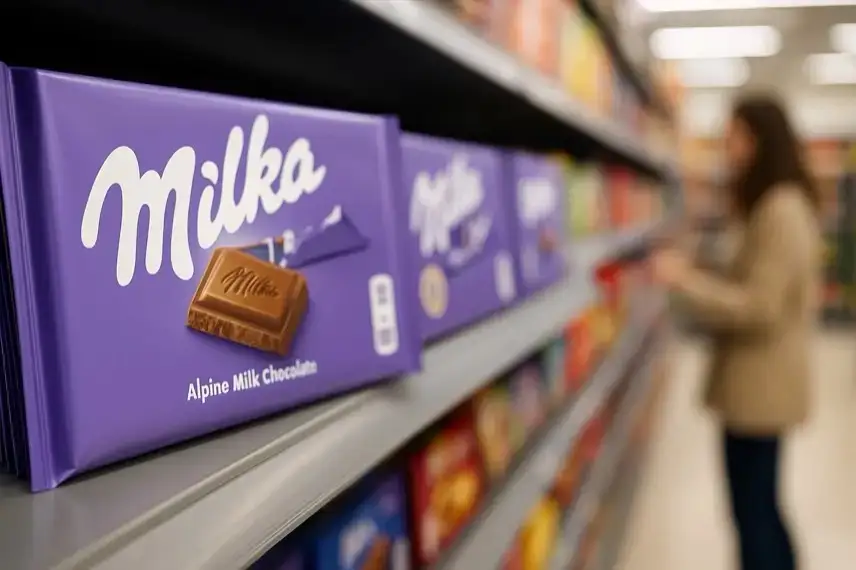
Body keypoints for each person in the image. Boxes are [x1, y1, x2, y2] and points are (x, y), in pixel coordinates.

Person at [653, 93, 822, 570]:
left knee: (755, 512)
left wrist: (685, 282)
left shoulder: (782, 209)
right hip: (754, 384)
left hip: (761, 388)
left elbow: (761, 306)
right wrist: (705, 264)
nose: (728, 148)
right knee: (758, 506)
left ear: (760, 140)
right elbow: (753, 276)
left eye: (736, 137)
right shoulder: (770, 204)